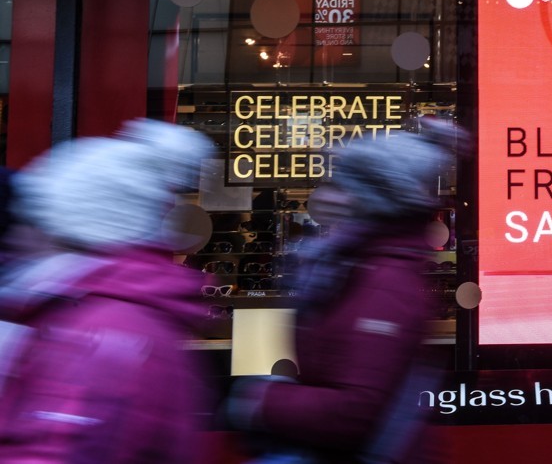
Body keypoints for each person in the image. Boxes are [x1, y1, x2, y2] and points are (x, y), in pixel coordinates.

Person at [225, 120, 460, 464]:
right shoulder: (354, 266)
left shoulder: (382, 283)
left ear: (371, 201)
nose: (328, 197)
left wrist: (259, 400)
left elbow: (355, 411)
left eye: (341, 186)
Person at [0, 118, 216, 464]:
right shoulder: (91, 315)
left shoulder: (100, 337)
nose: (18, 237)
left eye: (34, 222)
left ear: (69, 233)